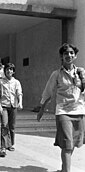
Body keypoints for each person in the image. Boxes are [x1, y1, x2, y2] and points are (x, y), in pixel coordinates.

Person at [37, 43, 85, 172]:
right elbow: (48, 92)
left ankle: (64, 168)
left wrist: (81, 81)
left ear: (75, 56)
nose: (69, 55)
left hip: (79, 111)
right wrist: (42, 108)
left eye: (71, 53)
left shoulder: (81, 72)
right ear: (61, 57)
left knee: (72, 143)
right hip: (63, 111)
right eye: (65, 53)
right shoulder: (56, 74)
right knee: (67, 145)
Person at [0, 63, 23, 157]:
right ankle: (3, 147)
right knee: (4, 125)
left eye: (11, 69)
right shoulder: (0, 81)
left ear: (13, 71)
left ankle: (10, 144)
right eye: (7, 69)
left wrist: (20, 102)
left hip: (13, 106)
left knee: (12, 126)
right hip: (4, 106)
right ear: (5, 71)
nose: (9, 71)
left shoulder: (16, 82)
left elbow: (19, 93)